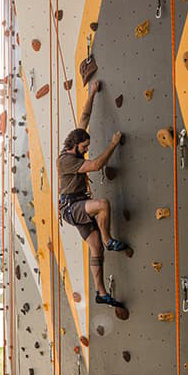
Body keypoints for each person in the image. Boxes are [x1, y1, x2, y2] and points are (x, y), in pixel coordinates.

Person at [57, 79, 129, 308]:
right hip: (71, 207)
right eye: (85, 147)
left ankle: (101, 292)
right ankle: (109, 240)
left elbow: (84, 119)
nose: (87, 149)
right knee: (103, 204)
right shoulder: (66, 160)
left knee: (94, 247)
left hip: (77, 205)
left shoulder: (74, 147)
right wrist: (113, 144)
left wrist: (92, 93)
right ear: (75, 144)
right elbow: (97, 165)